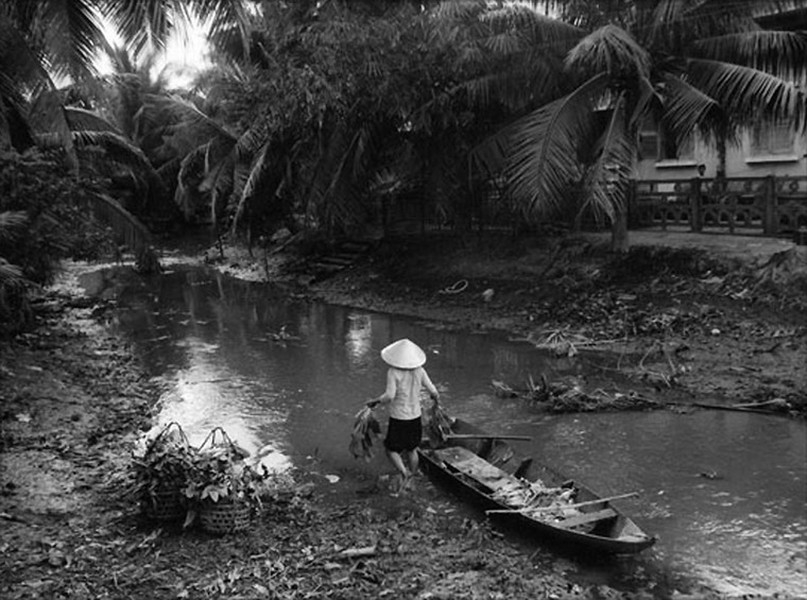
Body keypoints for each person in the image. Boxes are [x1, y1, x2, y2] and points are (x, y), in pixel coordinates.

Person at [367, 338, 439, 494]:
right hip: (415, 416)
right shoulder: (420, 370)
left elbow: (390, 396)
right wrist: (436, 402)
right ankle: (412, 477)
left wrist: (376, 401)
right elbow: (433, 390)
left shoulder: (393, 372)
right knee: (412, 449)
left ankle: (404, 473)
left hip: (399, 417)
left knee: (391, 449)